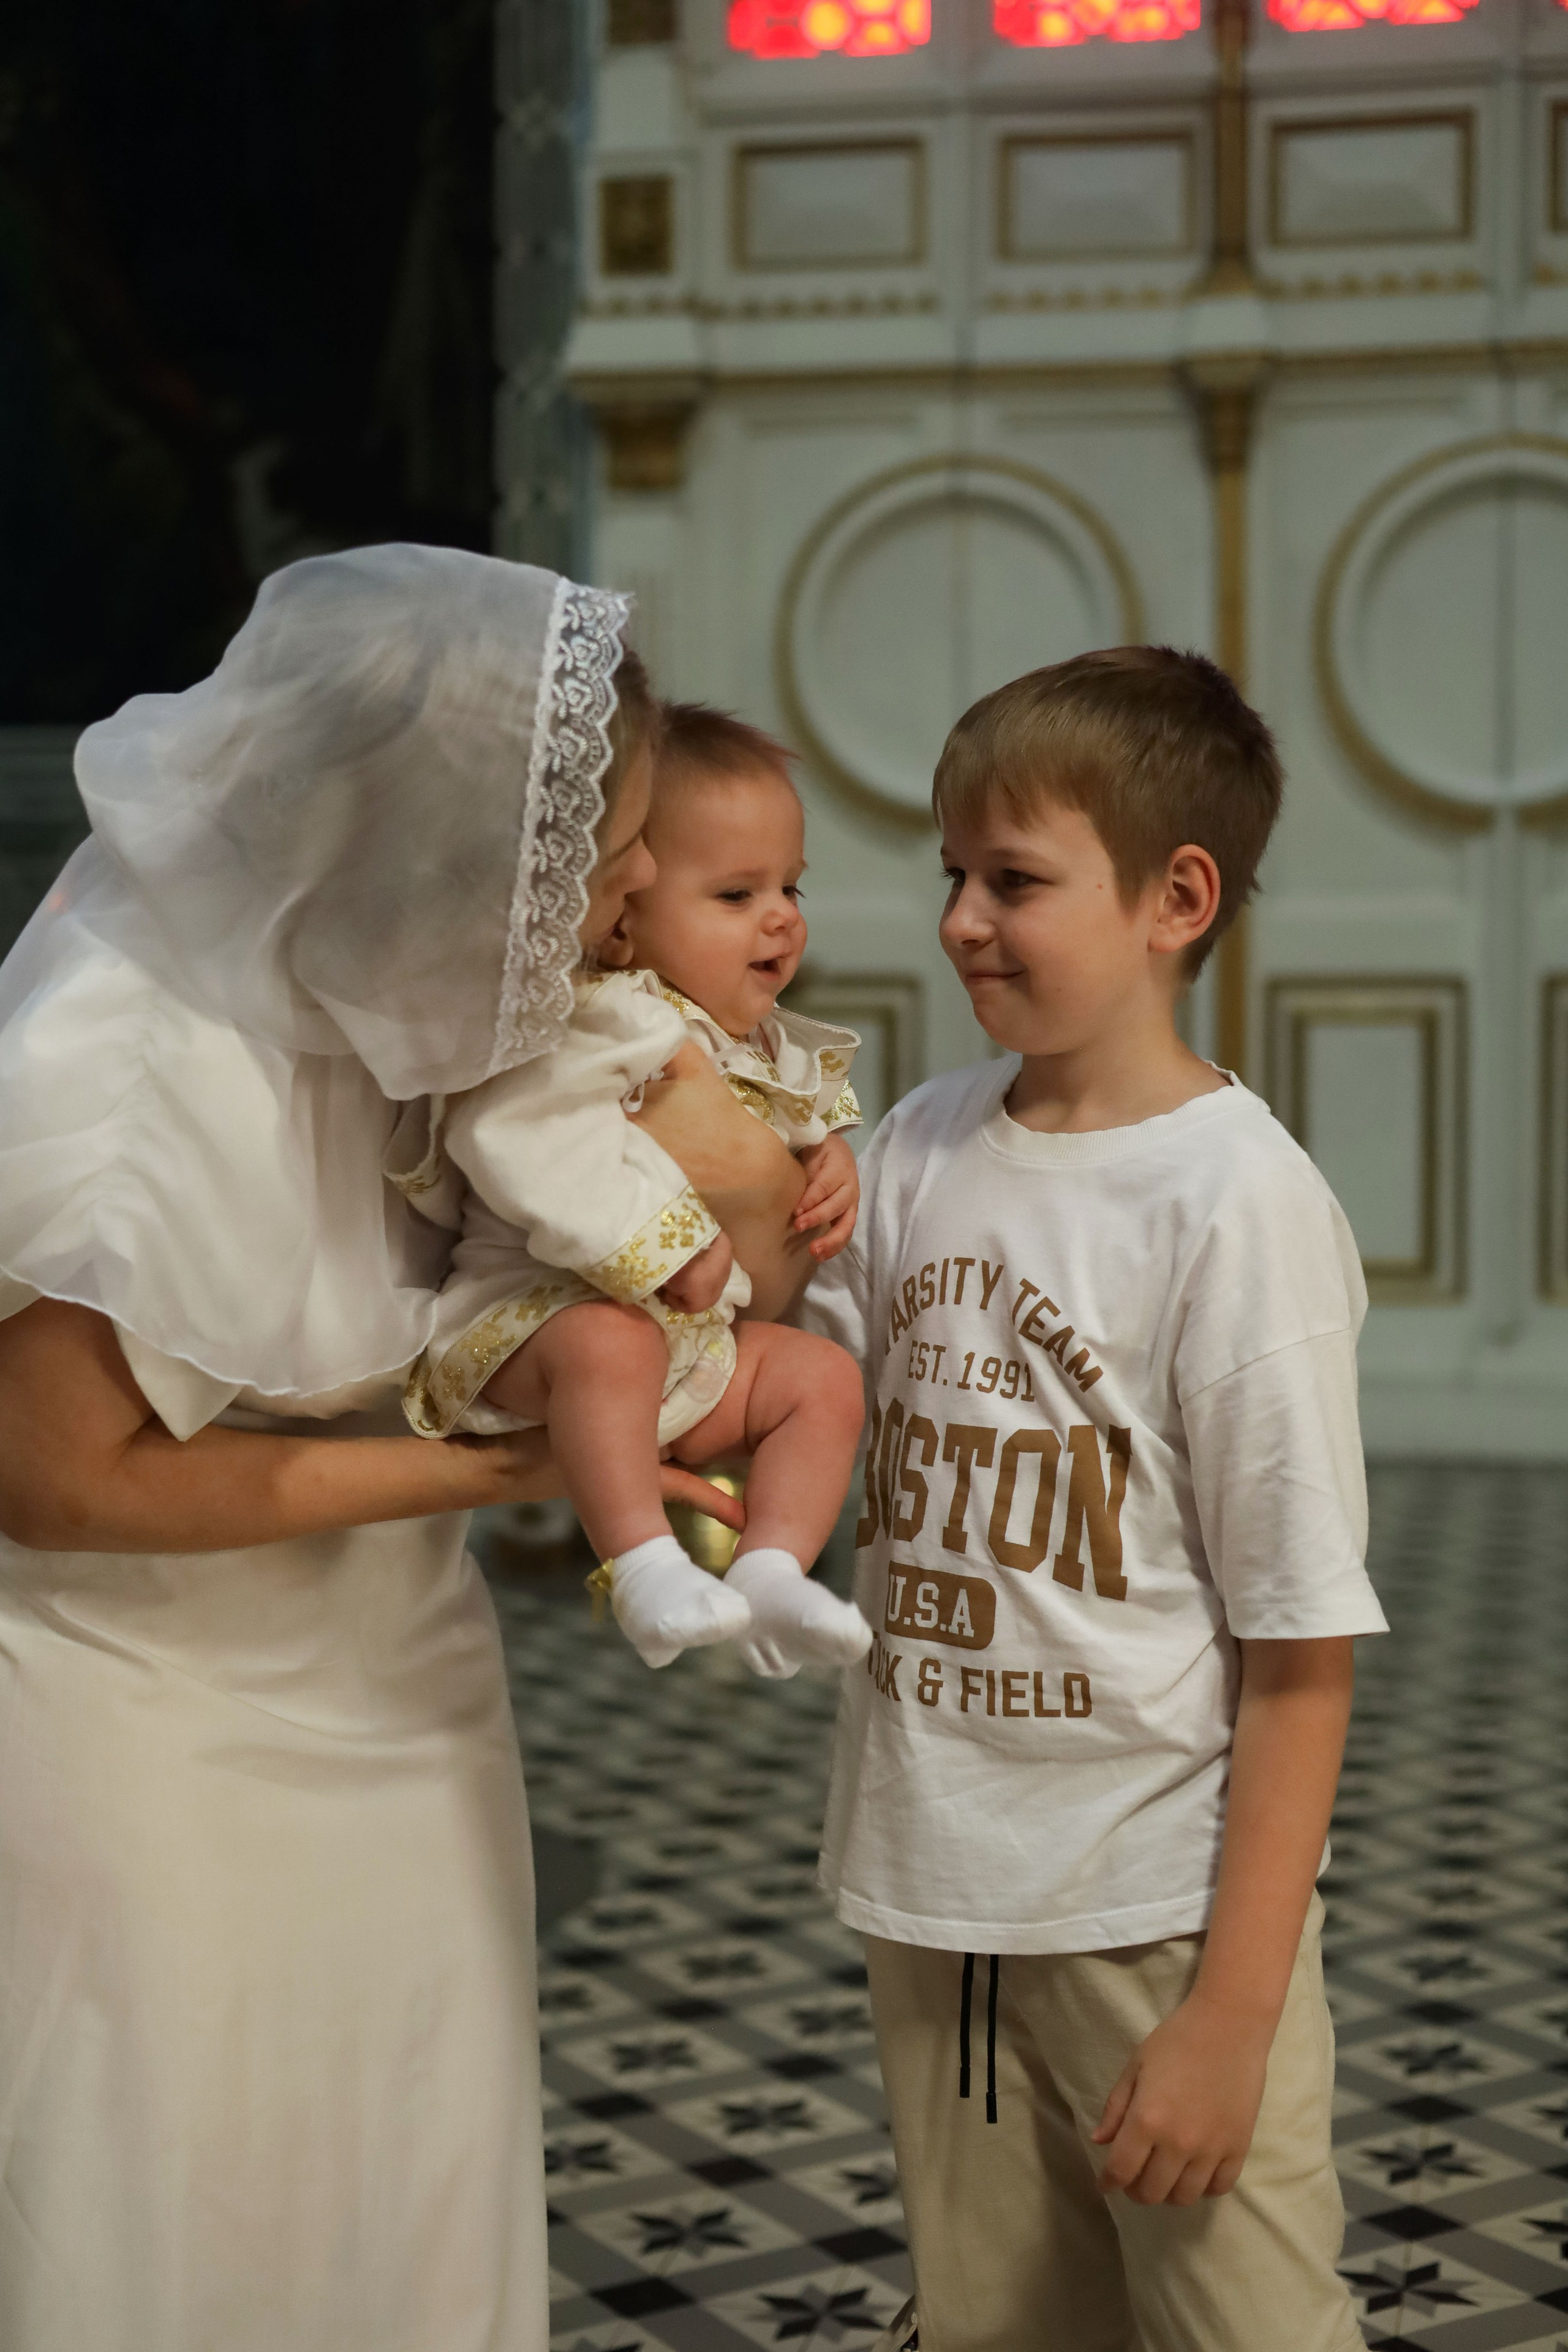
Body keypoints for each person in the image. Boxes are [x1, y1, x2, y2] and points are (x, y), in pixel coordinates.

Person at [0, 547, 794, 2352]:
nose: (625, 910)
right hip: (150, 1733)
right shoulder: (115, 1066)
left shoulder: (420, 987)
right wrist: (505, 1478)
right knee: (180, 2205)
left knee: (407, 2181)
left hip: (396, 1677)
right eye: (603, 873)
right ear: (441, 831)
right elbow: (55, 1479)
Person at [802, 648, 1387, 2352]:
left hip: (1156, 1920)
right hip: (934, 1898)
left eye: (1016, 881)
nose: (964, 921)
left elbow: (1300, 1653)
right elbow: (803, 1401)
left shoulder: (1235, 1207)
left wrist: (1233, 2014)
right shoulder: (916, 1143)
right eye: (953, 877)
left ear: (1174, 898)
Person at [402, 699, 872, 1682]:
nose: (782, 915)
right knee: (612, 1341)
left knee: (821, 1379)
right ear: (624, 915)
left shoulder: (751, 1036)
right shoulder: (602, 1020)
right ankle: (645, 1566)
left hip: (687, 1355)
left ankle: (773, 1569)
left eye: (790, 885)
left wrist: (830, 1163)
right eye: (737, 894)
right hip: (533, 1327)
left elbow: (784, 1129)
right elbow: (519, 1133)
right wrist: (666, 1243)